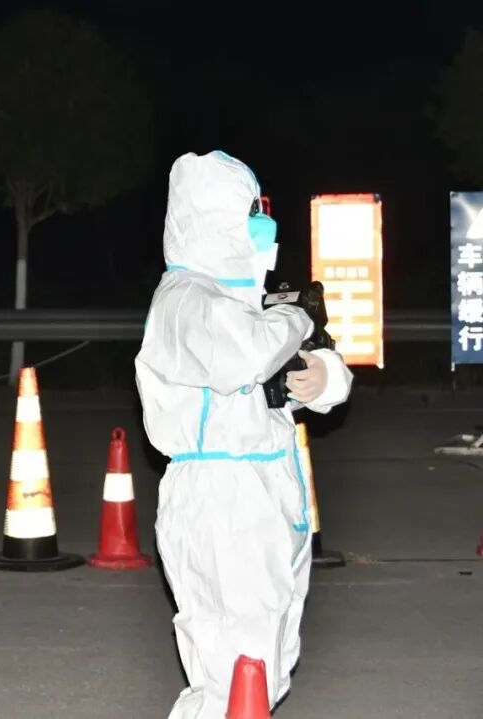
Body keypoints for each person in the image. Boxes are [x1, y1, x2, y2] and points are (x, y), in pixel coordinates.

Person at [135, 150, 353, 718]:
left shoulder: (247, 302)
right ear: (213, 218)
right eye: (250, 213)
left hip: (269, 489)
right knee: (232, 663)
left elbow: (312, 377)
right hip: (218, 501)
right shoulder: (184, 300)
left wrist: (323, 376)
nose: (261, 225)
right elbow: (245, 355)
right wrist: (297, 318)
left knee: (268, 660)